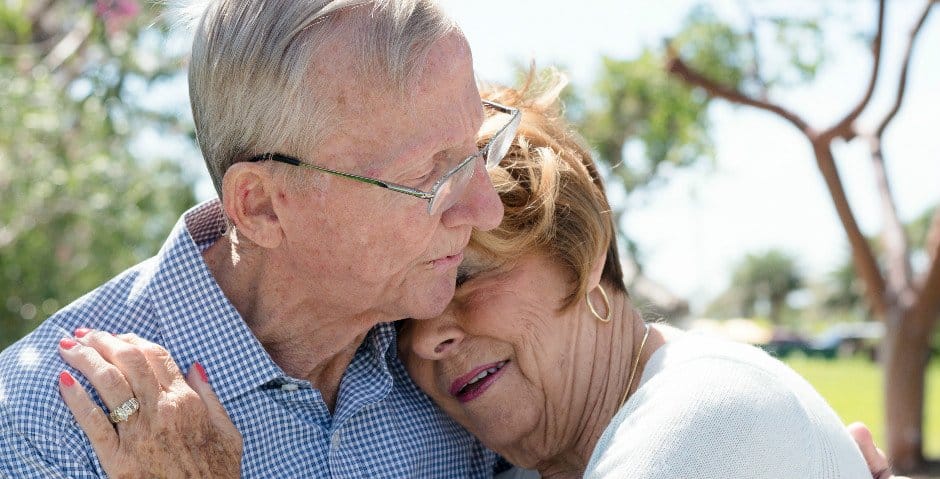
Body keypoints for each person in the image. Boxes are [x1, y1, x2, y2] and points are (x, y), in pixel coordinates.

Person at [57, 78, 907, 478]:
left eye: (464, 278)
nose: (428, 334)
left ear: (579, 252)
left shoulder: (695, 425)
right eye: (402, 319)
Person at [0, 1, 517, 476]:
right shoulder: (49, 424)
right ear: (260, 206)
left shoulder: (472, 354)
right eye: (430, 175)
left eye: (479, 147)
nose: (486, 211)